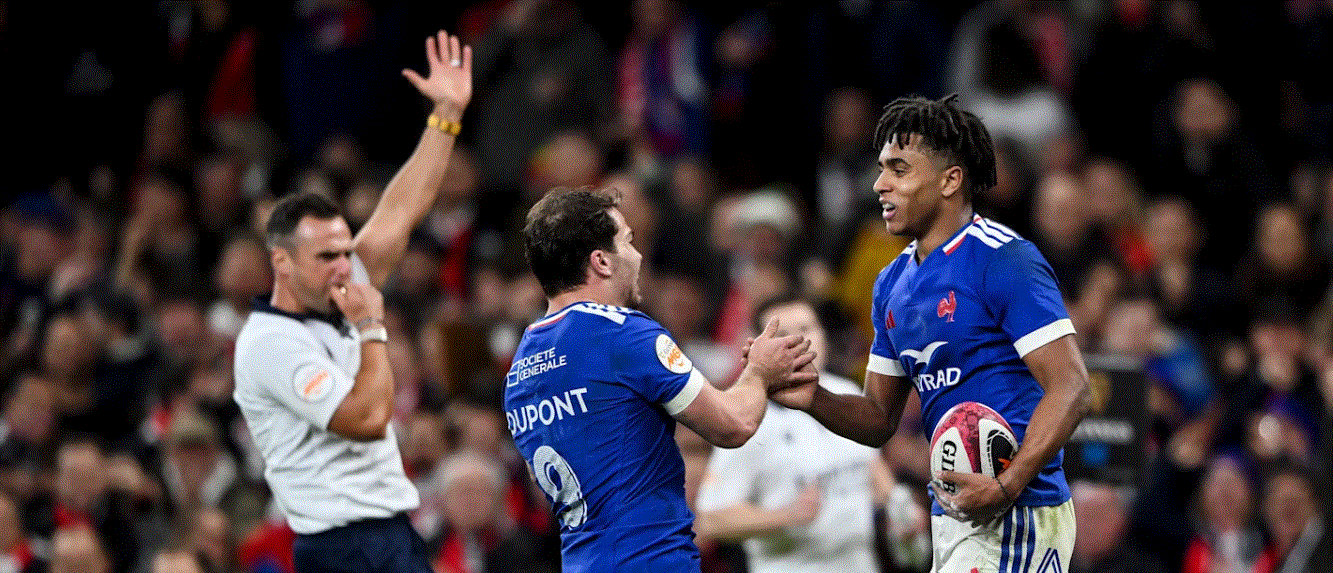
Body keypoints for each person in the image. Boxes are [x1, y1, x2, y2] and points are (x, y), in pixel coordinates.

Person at [770, 94, 1092, 573]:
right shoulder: (891, 284)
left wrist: (1005, 486)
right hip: (954, 515)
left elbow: (1072, 386)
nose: (880, 184)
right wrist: (813, 396)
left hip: (1018, 513)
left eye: (899, 169)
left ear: (950, 180)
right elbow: (878, 418)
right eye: (881, 169)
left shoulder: (1003, 258)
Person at [232, 29, 472, 573]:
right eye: (326, 257)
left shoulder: (342, 285)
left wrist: (446, 116)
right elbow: (366, 417)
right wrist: (371, 330)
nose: (344, 266)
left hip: (392, 533)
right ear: (281, 262)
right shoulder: (270, 343)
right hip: (341, 547)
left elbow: (403, 207)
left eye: (345, 251)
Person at [506, 186, 818, 572]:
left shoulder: (520, 370)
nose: (637, 256)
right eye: (628, 241)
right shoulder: (623, 333)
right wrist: (760, 371)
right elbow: (733, 425)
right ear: (601, 261)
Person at [695, 294, 889, 573]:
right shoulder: (748, 417)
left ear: (823, 335)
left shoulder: (847, 392)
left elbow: (872, 469)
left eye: (806, 329)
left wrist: (900, 508)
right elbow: (711, 519)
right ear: (760, 348)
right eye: (783, 335)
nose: (798, 342)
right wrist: (786, 516)